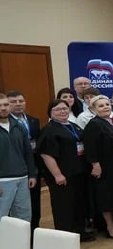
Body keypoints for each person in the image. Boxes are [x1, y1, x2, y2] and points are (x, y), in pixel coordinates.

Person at [38, 100, 92, 241]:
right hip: (62, 175)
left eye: (65, 108)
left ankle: (80, 232)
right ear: (50, 113)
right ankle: (65, 236)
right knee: (64, 206)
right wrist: (57, 174)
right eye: (57, 109)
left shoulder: (73, 126)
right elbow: (46, 154)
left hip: (78, 173)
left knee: (79, 203)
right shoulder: (49, 130)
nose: (62, 111)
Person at [82, 95, 113, 238]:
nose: (105, 107)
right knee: (106, 197)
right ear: (93, 109)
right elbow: (90, 147)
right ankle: (110, 227)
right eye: (101, 106)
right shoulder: (94, 124)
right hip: (104, 167)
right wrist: (95, 164)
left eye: (107, 104)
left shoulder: (111, 122)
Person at [0, 93, 37, 225]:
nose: (3, 108)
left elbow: (28, 152)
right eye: (0, 105)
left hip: (22, 178)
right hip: (3, 181)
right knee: (2, 218)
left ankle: (21, 240)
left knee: (24, 218)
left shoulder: (19, 125)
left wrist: (32, 174)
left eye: (5, 104)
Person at [7, 91, 42, 228]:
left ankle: (33, 231)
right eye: (13, 102)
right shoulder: (7, 123)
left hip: (33, 167)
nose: (18, 104)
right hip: (14, 168)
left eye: (21, 101)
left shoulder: (33, 121)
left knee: (34, 203)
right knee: (15, 206)